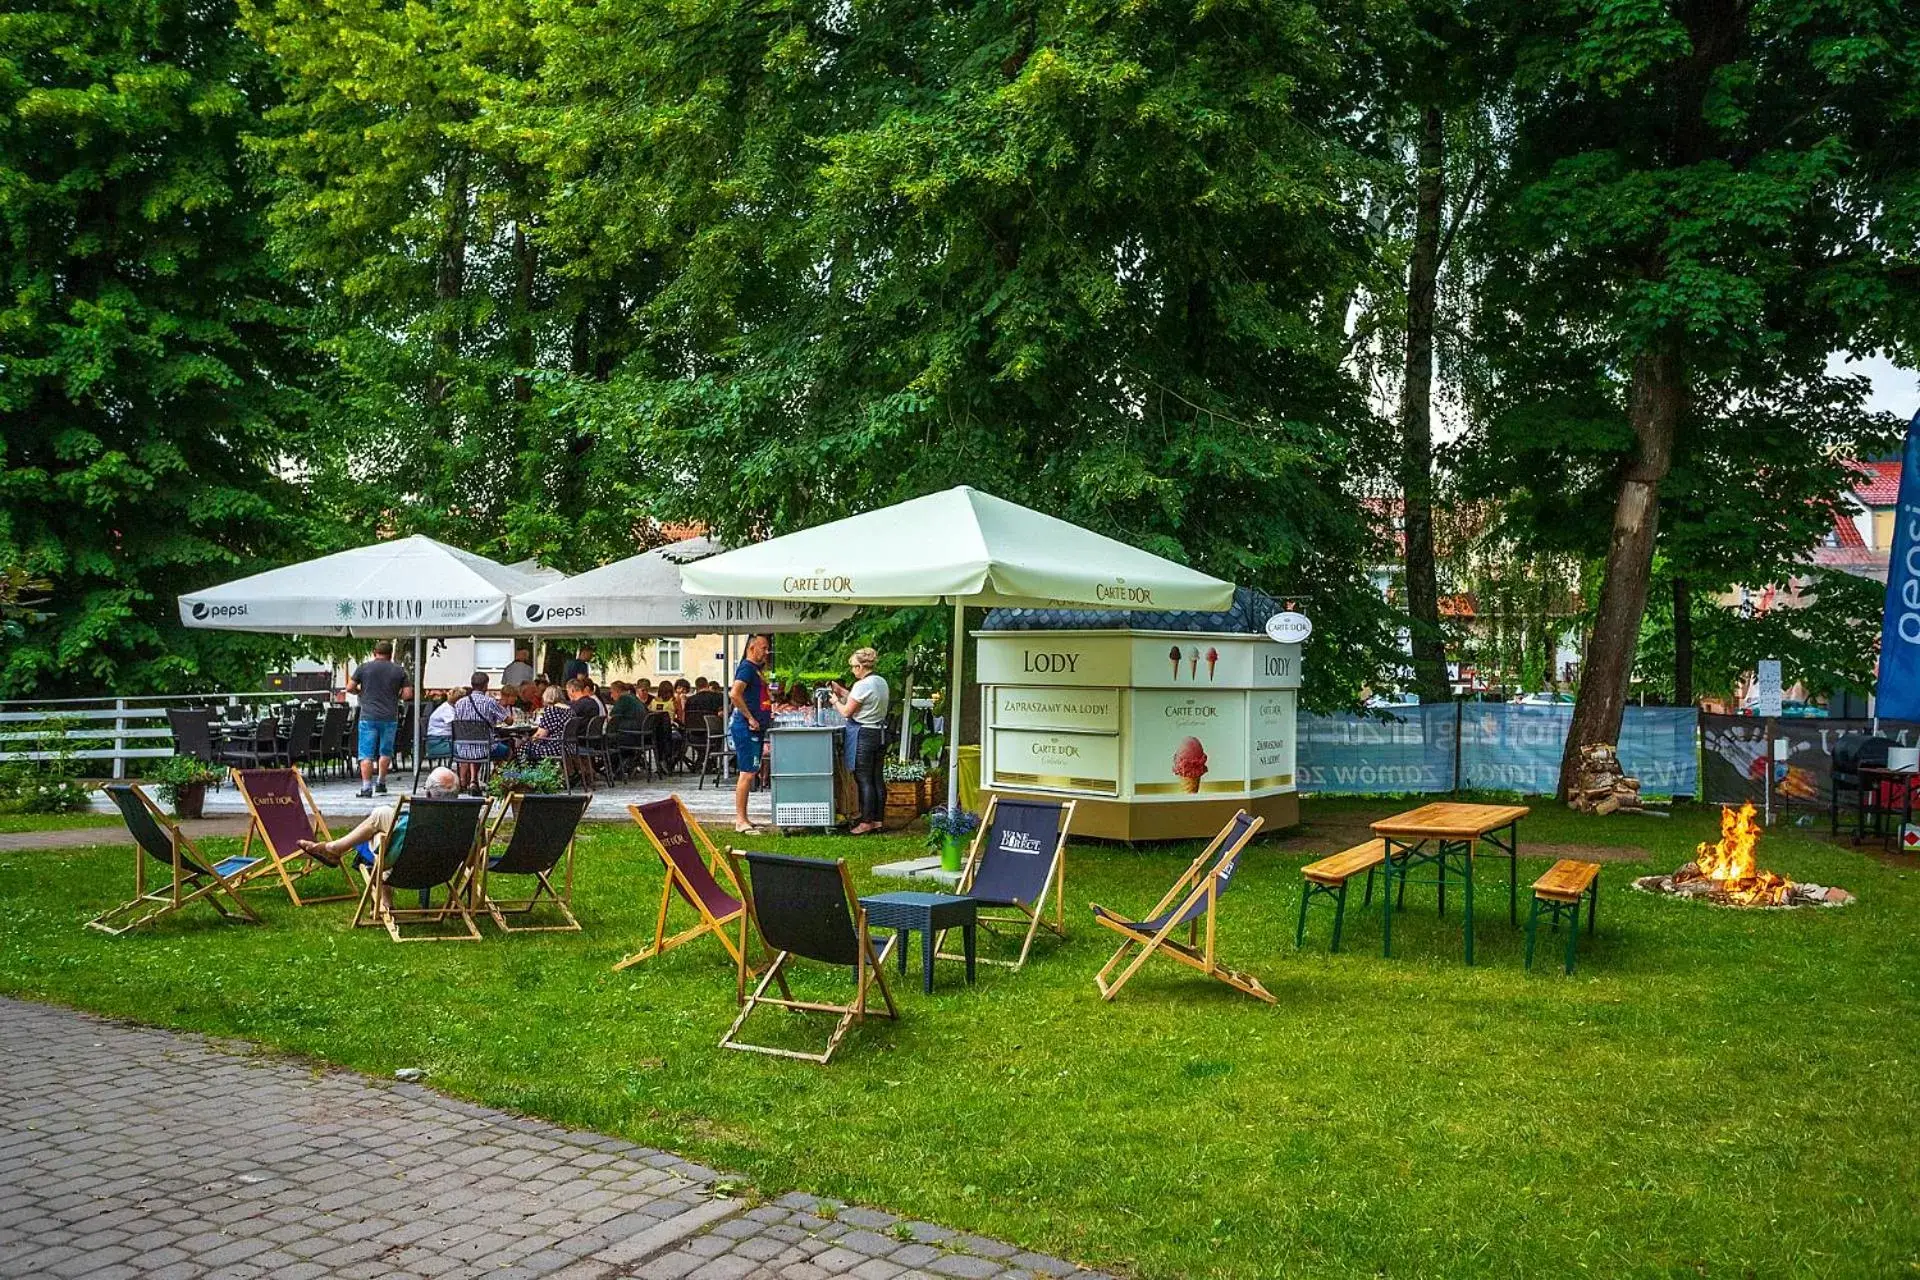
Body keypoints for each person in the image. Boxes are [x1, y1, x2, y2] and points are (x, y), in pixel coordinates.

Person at [298, 767, 460, 915]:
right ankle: (384, 900)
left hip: (404, 869)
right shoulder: (465, 823)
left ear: (428, 793)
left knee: (380, 825)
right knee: (382, 830)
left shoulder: (417, 823)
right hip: (442, 872)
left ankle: (335, 849)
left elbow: (393, 850)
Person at [831, 647, 891, 834]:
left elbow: (847, 711)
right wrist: (842, 691)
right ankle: (877, 820)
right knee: (876, 779)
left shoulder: (862, 685)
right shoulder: (880, 682)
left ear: (859, 667)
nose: (852, 670)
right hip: (879, 733)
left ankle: (865, 822)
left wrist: (835, 701)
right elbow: (861, 700)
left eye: (853, 667)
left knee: (863, 779)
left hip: (863, 734)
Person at [348, 640, 413, 798]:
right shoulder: (399, 671)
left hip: (368, 716)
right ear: (391, 654)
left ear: (374, 652)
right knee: (385, 751)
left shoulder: (363, 668)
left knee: (366, 753)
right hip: (389, 716)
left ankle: (366, 787)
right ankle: (381, 782)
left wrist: (361, 693)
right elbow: (407, 695)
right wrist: (395, 695)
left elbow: (349, 687)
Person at [729, 634, 772, 834]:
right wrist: (750, 717)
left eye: (767, 648)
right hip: (747, 727)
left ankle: (745, 817)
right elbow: (734, 693)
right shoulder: (746, 668)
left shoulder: (755, 669)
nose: (767, 652)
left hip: (756, 726)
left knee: (751, 770)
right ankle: (740, 819)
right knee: (746, 772)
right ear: (751, 648)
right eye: (763, 648)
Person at [451, 672, 508, 795]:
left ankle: (473, 781)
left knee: (474, 746)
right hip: (485, 748)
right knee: (508, 751)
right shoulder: (490, 702)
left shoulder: (459, 703)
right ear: (485, 686)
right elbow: (508, 720)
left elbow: (457, 723)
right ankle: (497, 782)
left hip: (462, 748)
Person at [529, 685, 571, 761]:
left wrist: (528, 740)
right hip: (570, 747)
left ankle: (527, 771)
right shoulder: (570, 710)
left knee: (523, 748)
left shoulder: (552, 710)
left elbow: (540, 735)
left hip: (554, 747)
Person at [425, 691, 456, 760]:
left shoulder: (448, 707)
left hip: (443, 741)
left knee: (467, 748)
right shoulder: (447, 710)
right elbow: (456, 725)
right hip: (439, 744)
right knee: (466, 749)